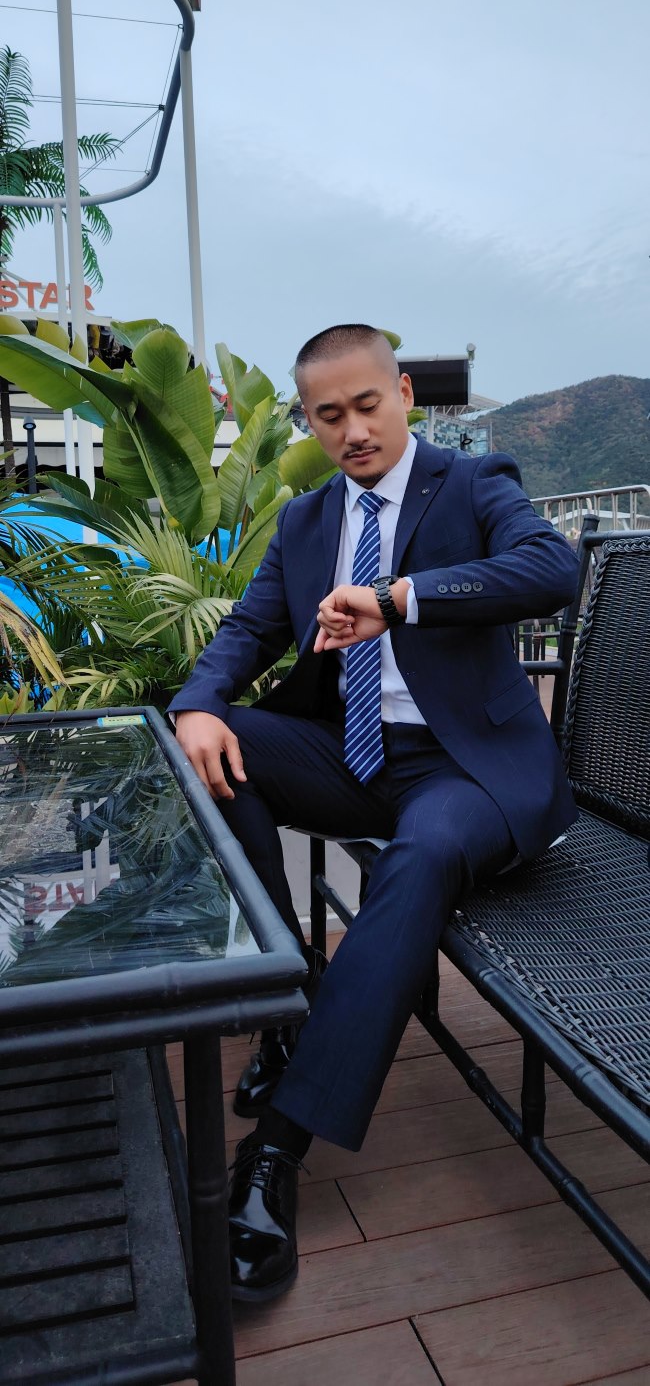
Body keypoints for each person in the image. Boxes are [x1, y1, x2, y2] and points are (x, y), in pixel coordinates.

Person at [170, 323, 579, 1303]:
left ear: (402, 395)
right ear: (308, 423)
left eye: (366, 405)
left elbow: (549, 569)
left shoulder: (471, 484)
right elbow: (247, 630)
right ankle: (289, 1005)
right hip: (354, 757)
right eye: (329, 415)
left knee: (422, 853)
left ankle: (274, 1152)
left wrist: (399, 598)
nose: (352, 430)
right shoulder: (306, 521)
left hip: (464, 768)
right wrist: (197, 705)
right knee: (211, 748)